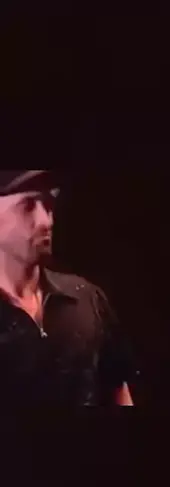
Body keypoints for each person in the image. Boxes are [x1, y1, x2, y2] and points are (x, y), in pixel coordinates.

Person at [0, 170, 140, 406]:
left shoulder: (85, 297)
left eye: (48, 204)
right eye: (27, 206)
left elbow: (118, 390)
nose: (46, 221)